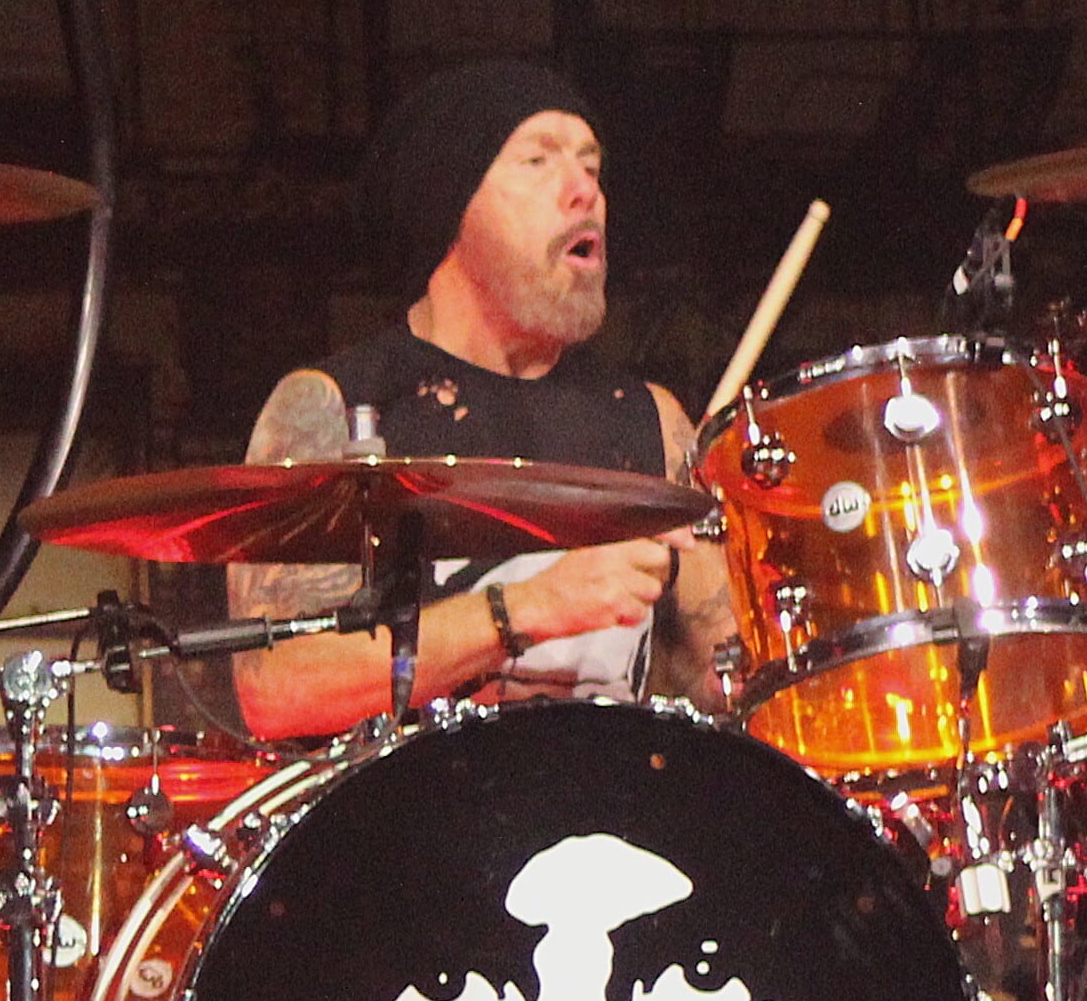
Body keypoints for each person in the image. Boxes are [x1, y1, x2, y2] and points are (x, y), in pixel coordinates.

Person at [230, 58, 734, 734]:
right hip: (415, 824)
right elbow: (274, 688)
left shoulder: (650, 420)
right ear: (449, 205)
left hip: (614, 815)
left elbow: (730, 680)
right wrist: (525, 610)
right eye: (537, 161)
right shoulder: (336, 405)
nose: (583, 189)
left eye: (591, 165)